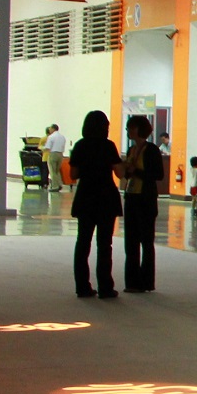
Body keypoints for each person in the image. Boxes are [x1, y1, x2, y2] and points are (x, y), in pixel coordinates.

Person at [69, 111, 122, 298]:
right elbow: (120, 173)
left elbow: (73, 174)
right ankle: (105, 287)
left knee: (83, 243)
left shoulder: (80, 145)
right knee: (105, 244)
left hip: (86, 196)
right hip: (106, 197)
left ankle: (82, 286)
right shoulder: (108, 146)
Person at [121, 114, 165, 293]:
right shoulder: (131, 149)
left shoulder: (152, 150)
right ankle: (132, 282)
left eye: (131, 127)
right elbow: (127, 175)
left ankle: (146, 281)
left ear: (139, 129)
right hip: (131, 196)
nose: (128, 130)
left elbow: (158, 175)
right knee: (130, 241)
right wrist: (126, 169)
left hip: (145, 199)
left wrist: (135, 171)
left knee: (146, 241)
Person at [42, 123, 68, 191]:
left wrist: (42, 149)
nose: (49, 130)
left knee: (52, 171)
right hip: (60, 154)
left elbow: (47, 147)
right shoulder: (62, 137)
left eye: (50, 128)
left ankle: (54, 186)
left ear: (53, 129)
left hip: (53, 154)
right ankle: (59, 184)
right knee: (57, 170)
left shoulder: (51, 137)